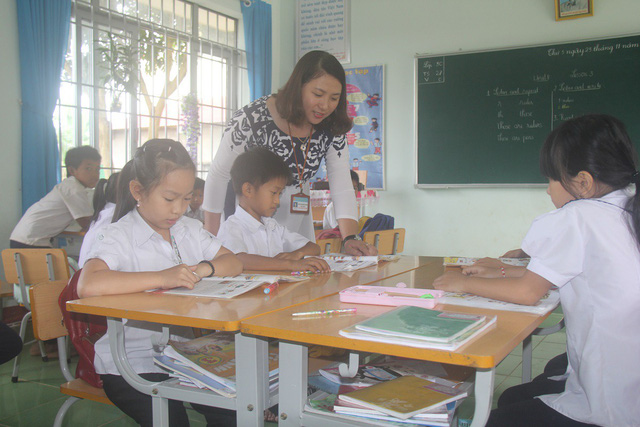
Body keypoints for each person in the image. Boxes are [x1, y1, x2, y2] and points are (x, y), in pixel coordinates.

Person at [433, 114, 640, 427]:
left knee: (496, 416)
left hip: (610, 402)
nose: (547, 190)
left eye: (551, 179)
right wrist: (503, 270)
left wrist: (459, 282)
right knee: (513, 398)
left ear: (583, 182)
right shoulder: (625, 206)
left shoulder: (580, 215)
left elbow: (528, 293)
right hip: (627, 379)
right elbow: (580, 272)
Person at [78, 139, 243, 427]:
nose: (179, 209)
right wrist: (162, 277)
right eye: (170, 198)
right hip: (130, 361)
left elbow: (234, 262)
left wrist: (204, 268)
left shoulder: (189, 229)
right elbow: (88, 285)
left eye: (187, 198)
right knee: (172, 423)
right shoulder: (118, 235)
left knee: (235, 410)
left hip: (184, 355)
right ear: (138, 191)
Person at [202, 50, 376, 256]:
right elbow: (218, 175)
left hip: (296, 215)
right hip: (249, 218)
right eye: (318, 95)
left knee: (300, 271)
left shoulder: (331, 126)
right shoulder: (251, 118)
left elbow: (341, 182)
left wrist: (349, 237)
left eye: (334, 98)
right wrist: (210, 239)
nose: (325, 105)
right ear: (298, 87)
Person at [218, 147, 330, 272]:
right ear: (248, 190)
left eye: (280, 194)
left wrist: (296, 255)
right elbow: (239, 260)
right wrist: (289, 264)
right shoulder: (231, 227)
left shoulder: (272, 226)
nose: (277, 200)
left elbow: (313, 247)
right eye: (274, 193)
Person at [10, 146, 101, 248]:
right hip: (31, 242)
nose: (95, 174)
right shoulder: (73, 188)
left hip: (22, 238)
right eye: (88, 168)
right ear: (72, 170)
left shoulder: (71, 186)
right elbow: (86, 223)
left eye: (97, 169)